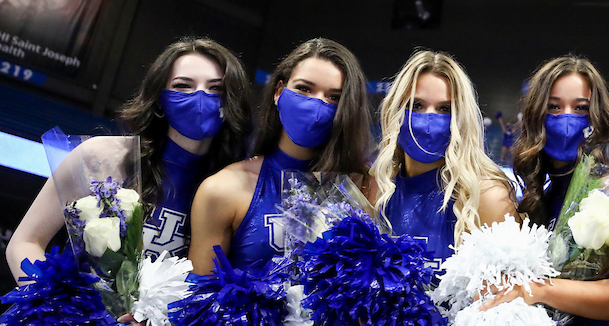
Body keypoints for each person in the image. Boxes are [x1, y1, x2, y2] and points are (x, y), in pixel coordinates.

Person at [6, 37, 252, 280]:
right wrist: (54, 308)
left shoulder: (237, 187)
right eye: (182, 86)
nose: (200, 98)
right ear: (158, 100)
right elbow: (25, 242)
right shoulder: (101, 157)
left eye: (216, 88)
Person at [483, 55, 609, 324]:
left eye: (580, 108)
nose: (566, 118)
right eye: (553, 106)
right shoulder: (538, 196)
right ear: (535, 114)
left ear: (597, 116)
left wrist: (536, 289)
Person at [188, 38, 372, 274]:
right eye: (304, 89)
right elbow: (198, 301)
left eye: (334, 97)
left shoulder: (366, 190)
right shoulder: (223, 189)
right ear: (279, 92)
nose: (316, 104)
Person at [366, 50, 516, 271]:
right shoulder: (376, 190)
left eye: (445, 109)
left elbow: (510, 297)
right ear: (395, 111)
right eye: (416, 105)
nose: (428, 119)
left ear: (462, 118)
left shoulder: (488, 197)